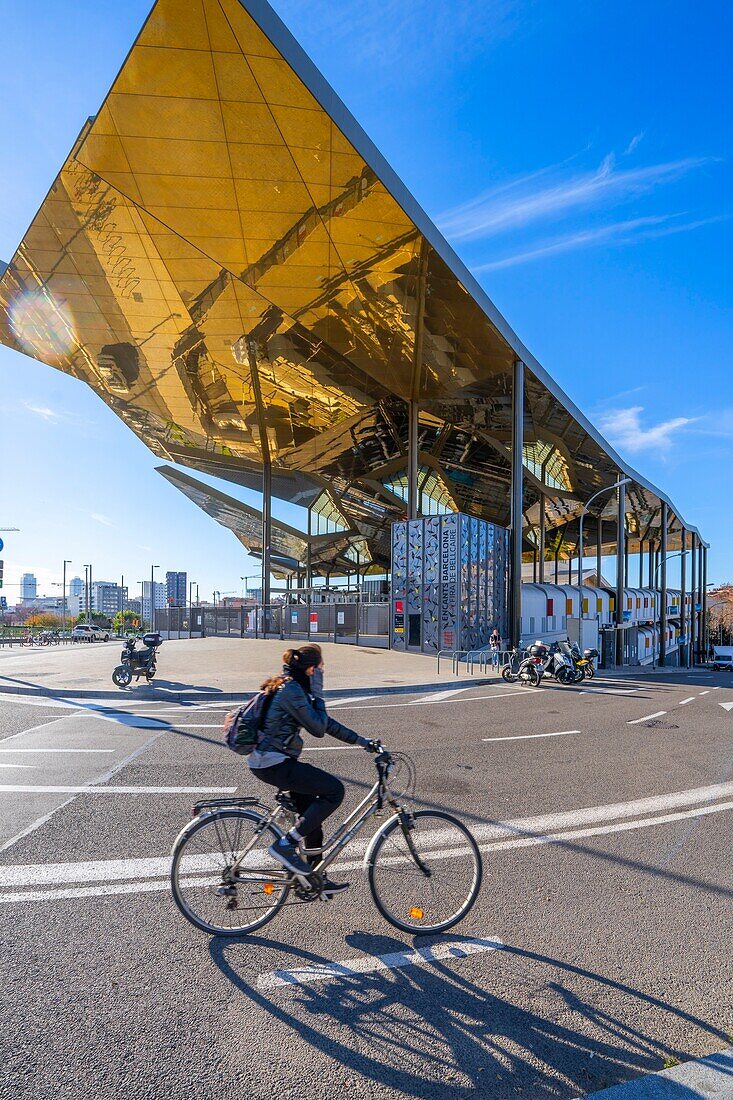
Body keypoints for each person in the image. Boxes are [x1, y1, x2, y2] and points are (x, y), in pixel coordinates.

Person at [248, 644, 378, 896]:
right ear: (310, 669)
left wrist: (363, 742)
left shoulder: (293, 687)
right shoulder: (293, 691)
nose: (322, 671)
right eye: (320, 668)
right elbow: (318, 728)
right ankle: (285, 846)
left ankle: (313, 878)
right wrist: (318, 692)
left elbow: (326, 724)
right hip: (272, 763)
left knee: (311, 816)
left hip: (274, 761)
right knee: (334, 791)